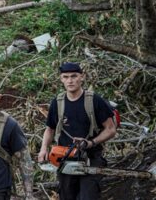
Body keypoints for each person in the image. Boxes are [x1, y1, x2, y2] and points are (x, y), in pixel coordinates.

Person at [37, 62, 116, 200]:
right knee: (67, 196)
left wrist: (91, 142)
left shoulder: (94, 100)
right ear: (61, 79)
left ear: (82, 77)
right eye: (66, 77)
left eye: (74, 76)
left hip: (91, 158)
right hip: (65, 158)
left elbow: (110, 129)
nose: (70, 80)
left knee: (88, 196)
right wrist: (43, 149)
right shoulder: (58, 102)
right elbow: (50, 129)